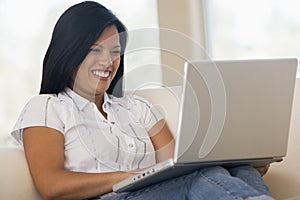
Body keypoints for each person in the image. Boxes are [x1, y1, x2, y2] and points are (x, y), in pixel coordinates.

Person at [11, 1, 274, 200]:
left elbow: (177, 165)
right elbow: (51, 185)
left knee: (240, 171)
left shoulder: (139, 108)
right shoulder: (47, 107)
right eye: (95, 50)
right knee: (202, 178)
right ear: (68, 51)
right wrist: (130, 178)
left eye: (115, 52)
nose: (108, 62)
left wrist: (230, 164)